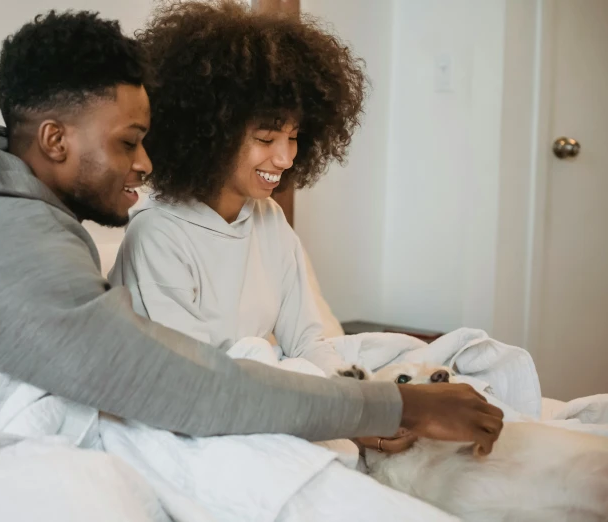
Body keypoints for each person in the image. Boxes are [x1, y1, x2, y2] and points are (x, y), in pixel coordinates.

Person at [0, 9, 500, 467]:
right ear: (55, 139)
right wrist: (394, 408)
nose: (146, 165)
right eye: (129, 142)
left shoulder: (27, 220)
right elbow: (167, 381)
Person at [111, 0, 503, 455]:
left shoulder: (268, 219)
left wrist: (361, 407)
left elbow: (309, 337)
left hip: (263, 393)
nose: (285, 158)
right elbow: (196, 383)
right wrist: (360, 416)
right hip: (208, 411)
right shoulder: (158, 235)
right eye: (265, 138)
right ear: (208, 134)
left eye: (294, 137)